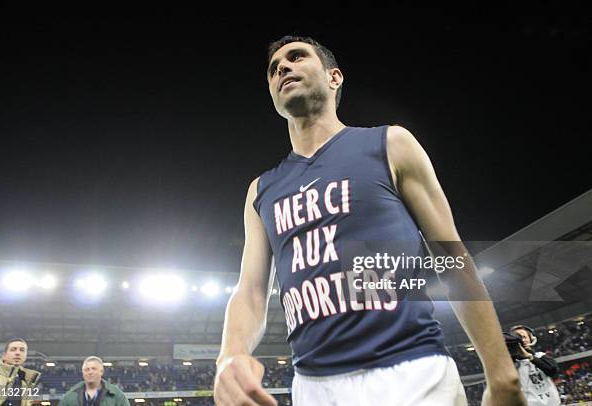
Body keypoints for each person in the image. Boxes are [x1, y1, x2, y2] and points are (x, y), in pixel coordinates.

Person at [214, 35, 526, 406]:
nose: (282, 67)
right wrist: (230, 355)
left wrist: (502, 373)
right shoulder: (260, 191)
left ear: (334, 77)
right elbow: (251, 290)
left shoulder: (390, 144)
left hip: (411, 371)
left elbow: (450, 257)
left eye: (296, 57)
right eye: (273, 68)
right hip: (312, 385)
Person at [0, 338, 41, 406]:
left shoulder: (25, 382)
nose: (18, 353)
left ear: (26, 355)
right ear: (4, 355)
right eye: (13, 349)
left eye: (22, 350)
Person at [510, 325, 560, 406]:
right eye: (518, 337)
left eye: (524, 337)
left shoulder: (541, 356)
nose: (522, 340)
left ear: (531, 339)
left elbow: (554, 371)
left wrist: (531, 357)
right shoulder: (512, 363)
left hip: (552, 403)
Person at [59, 356, 129, 406]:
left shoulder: (117, 395)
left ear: (101, 371)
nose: (90, 372)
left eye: (94, 369)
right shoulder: (69, 396)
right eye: (87, 369)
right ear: (83, 373)